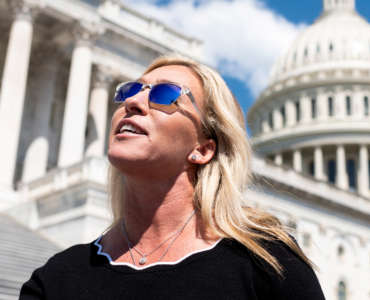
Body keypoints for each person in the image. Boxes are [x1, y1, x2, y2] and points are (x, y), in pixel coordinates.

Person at [20, 54, 325, 299]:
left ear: (203, 149)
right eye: (130, 90)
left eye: (165, 95)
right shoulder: (55, 279)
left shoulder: (267, 263)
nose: (134, 102)